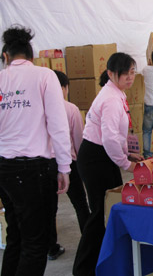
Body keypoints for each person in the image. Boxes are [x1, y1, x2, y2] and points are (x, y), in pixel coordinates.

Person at [0, 25, 71, 276]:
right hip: (33, 169)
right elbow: (58, 124)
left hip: (4, 167)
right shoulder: (44, 75)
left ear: (6, 56)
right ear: (31, 56)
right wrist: (64, 167)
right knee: (35, 243)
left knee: (16, 236)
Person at [73, 53, 143, 276]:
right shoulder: (112, 98)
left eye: (132, 72)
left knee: (109, 209)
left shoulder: (116, 92)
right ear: (111, 73)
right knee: (100, 213)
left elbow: (114, 135)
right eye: (125, 73)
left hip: (103, 155)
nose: (129, 78)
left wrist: (127, 154)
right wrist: (125, 164)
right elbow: (110, 138)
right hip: (96, 157)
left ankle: (104, 260)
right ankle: (84, 268)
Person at [48, 71, 91, 261]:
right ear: (65, 88)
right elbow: (78, 140)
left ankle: (51, 248)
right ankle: (89, 243)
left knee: (50, 208)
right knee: (80, 204)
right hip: (69, 162)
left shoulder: (41, 108)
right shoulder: (71, 109)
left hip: (47, 164)